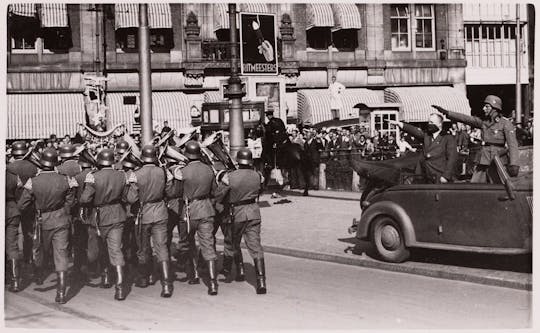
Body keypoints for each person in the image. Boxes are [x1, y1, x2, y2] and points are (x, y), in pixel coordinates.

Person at [18, 148, 78, 304]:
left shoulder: (33, 181)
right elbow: (71, 200)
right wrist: (64, 209)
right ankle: (61, 293)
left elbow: (23, 204)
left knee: (39, 250)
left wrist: (35, 209)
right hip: (61, 218)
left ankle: (39, 274)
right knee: (61, 254)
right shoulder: (65, 179)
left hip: (42, 220)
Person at [433, 95, 520, 183]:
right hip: (483, 161)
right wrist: (447, 113)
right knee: (476, 187)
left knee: (500, 188)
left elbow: (512, 145)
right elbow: (466, 118)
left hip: (498, 161)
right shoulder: (483, 122)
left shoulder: (505, 123)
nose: (483, 109)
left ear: (495, 108)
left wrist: (514, 164)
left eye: (487, 106)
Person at [80, 149, 129, 300]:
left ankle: (106, 276)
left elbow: (85, 199)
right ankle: (120, 287)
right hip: (117, 214)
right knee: (115, 250)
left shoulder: (93, 177)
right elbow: (127, 197)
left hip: (99, 216)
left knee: (100, 248)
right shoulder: (121, 175)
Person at [217, 148, 267, 294]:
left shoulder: (230, 177)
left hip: (236, 214)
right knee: (256, 246)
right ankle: (261, 282)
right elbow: (261, 190)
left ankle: (233, 271)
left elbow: (219, 196)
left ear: (238, 161)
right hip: (253, 212)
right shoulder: (258, 175)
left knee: (232, 242)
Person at [126, 145, 174, 298]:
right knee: (162, 247)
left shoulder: (136, 174)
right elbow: (170, 192)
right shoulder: (163, 171)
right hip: (160, 212)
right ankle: (167, 285)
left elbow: (131, 198)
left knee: (143, 248)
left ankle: (144, 278)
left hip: (144, 213)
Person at [174, 140, 219, 295]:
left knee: (188, 243)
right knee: (208, 244)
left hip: (188, 211)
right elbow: (214, 191)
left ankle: (193, 274)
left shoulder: (183, 171)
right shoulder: (209, 169)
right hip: (206, 209)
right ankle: (213, 284)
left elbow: (175, 192)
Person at [389, 113, 458, 184]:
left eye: (432, 122)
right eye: (429, 122)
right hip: (424, 175)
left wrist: (446, 176)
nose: (429, 124)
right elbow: (415, 131)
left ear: (440, 124)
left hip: (439, 176)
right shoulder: (427, 136)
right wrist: (399, 124)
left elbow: (452, 158)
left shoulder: (448, 138)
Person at [7, 141, 38, 274]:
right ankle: (29, 258)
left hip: (12, 204)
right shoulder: (33, 167)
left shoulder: (9, 168)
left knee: (11, 238)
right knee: (28, 233)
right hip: (29, 203)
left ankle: (13, 268)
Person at [6, 170, 22, 292]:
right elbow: (19, 194)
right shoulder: (14, 176)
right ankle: (15, 281)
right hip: (12, 209)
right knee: (12, 246)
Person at [302, 130, 324, 195]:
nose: (306, 136)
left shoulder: (315, 141)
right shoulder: (306, 143)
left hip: (314, 160)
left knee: (315, 173)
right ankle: (311, 185)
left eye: (308, 135)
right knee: (309, 173)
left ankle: (315, 186)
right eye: (306, 135)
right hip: (308, 160)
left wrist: (319, 141)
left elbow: (321, 147)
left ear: (311, 136)